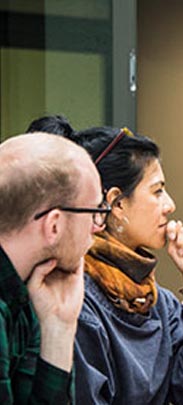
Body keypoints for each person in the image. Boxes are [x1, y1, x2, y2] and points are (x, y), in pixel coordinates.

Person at [66, 126, 183, 404]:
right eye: (158, 191)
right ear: (116, 203)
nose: (170, 205)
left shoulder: (157, 302)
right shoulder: (77, 302)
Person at [0, 133, 106, 403]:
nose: (98, 226)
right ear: (54, 225)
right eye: (95, 211)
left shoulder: (26, 292)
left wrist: (59, 327)